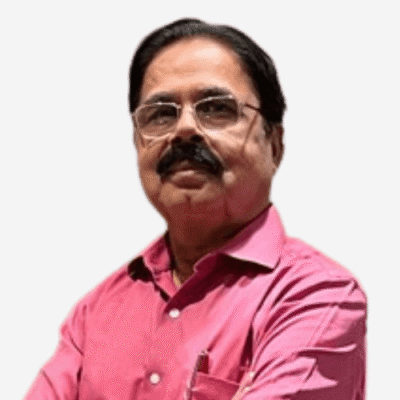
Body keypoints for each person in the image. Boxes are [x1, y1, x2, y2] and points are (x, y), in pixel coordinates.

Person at [24, 18, 367, 400]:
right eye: (161, 114)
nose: (184, 129)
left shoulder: (317, 297)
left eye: (216, 108)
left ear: (274, 145)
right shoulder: (95, 313)